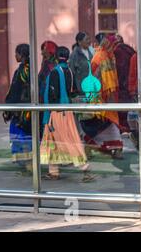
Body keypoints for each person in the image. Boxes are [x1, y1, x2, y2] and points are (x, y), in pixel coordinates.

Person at [40, 46, 95, 182]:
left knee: (66, 141)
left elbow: (52, 94)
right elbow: (73, 90)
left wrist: (49, 111)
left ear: (56, 57)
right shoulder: (69, 71)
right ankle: (53, 171)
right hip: (67, 111)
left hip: (57, 113)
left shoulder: (54, 72)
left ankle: (85, 168)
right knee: (53, 141)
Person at [82, 33, 124, 159]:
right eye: (112, 45)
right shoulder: (102, 57)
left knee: (108, 123)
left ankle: (111, 147)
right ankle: (111, 147)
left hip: (103, 97)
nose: (113, 48)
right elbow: (102, 80)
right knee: (105, 122)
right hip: (102, 97)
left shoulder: (105, 55)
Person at [3, 44, 32, 176]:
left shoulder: (21, 71)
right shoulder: (29, 69)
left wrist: (9, 107)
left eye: (17, 54)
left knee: (20, 138)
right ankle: (29, 166)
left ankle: (28, 166)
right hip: (26, 110)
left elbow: (15, 91)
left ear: (22, 55)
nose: (15, 56)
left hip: (20, 111)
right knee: (26, 137)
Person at [112, 34, 136, 133]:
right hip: (131, 84)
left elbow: (119, 69)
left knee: (122, 109)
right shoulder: (130, 51)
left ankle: (124, 128)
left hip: (122, 84)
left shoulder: (117, 51)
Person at [69, 32, 94, 97]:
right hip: (81, 90)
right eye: (87, 39)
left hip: (91, 88)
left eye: (89, 39)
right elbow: (72, 73)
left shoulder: (91, 51)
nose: (89, 41)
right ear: (79, 42)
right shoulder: (74, 55)